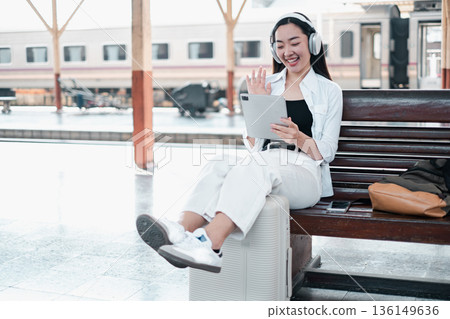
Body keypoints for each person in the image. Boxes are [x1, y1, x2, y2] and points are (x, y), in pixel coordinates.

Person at [136, 12, 343, 274]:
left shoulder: (329, 91)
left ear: (312, 44)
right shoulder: (268, 85)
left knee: (257, 167)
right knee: (219, 163)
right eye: (280, 46)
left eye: (294, 43)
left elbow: (327, 152)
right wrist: (258, 104)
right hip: (266, 161)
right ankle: (181, 232)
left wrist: (299, 137)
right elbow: (256, 145)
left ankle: (210, 243)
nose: (287, 51)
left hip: (305, 173)